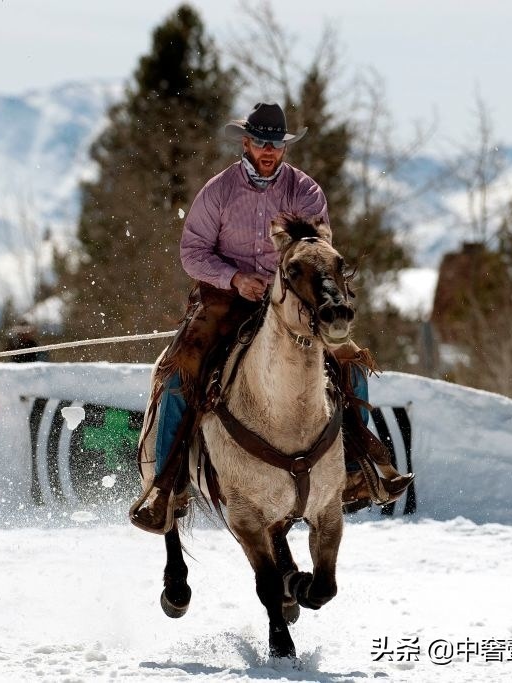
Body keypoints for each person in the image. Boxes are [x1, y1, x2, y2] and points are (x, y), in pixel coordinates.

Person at [128, 102, 411, 534]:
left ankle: (357, 469)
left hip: (292, 300)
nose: (268, 151)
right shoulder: (219, 191)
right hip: (227, 298)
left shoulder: (305, 191)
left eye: (276, 144)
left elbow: (316, 248)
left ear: (283, 148)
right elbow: (192, 253)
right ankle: (165, 486)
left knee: (350, 363)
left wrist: (287, 280)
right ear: (246, 142)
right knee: (179, 372)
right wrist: (235, 277)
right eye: (261, 142)